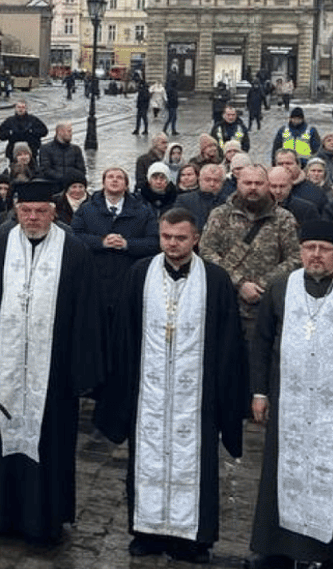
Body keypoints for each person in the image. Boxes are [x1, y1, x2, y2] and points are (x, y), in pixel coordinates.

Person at [93, 208, 248, 564]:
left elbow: (229, 343)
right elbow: (123, 337)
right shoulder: (139, 274)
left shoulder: (216, 279)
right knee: (145, 459)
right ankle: (146, 532)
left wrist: (226, 397)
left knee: (195, 464)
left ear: (196, 238)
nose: (173, 244)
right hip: (149, 393)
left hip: (197, 398)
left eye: (181, 238)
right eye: (166, 237)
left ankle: (193, 538)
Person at [0, 180, 106, 545]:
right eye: (26, 211)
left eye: (41, 211)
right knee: (2, 446)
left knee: (51, 447)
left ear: (53, 212)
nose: (33, 217)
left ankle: (45, 521)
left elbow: (87, 315)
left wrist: (80, 372)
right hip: (5, 374)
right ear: (16, 211)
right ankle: (1, 515)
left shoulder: (74, 253)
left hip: (53, 377)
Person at [247, 220, 333, 569]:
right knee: (282, 473)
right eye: (310, 248)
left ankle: (328, 554)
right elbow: (261, 343)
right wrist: (260, 392)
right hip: (288, 403)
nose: (316, 255)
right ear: (301, 250)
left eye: (325, 249)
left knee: (332, 477)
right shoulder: (280, 288)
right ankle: (276, 550)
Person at [198, 165, 301, 338]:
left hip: (266, 307)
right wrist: (240, 283)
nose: (253, 187)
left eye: (258, 183)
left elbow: (296, 257)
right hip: (225, 303)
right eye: (247, 183)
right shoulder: (220, 215)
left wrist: (262, 284)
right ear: (238, 184)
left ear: (267, 185)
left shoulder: (284, 218)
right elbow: (206, 251)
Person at [71, 168, 160, 316]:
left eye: (119, 177)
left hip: (129, 279)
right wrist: (101, 242)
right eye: (110, 177)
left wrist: (127, 245)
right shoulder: (86, 209)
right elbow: (75, 237)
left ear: (126, 185)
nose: (114, 180)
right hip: (94, 280)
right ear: (103, 183)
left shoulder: (143, 211)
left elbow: (154, 242)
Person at [38, 122, 86, 192]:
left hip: (71, 187)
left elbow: (81, 170)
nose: (71, 134)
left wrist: (71, 180)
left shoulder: (76, 149)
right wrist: (62, 178)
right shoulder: (45, 149)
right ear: (60, 132)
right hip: (53, 185)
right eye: (69, 131)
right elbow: (45, 169)